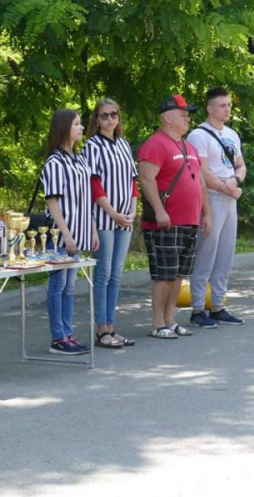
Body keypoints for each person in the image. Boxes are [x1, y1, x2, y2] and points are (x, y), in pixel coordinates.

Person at [138, 94, 212, 340]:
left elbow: (200, 181)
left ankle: (170, 320)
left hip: (188, 220)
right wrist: (159, 210)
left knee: (179, 273)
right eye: (183, 114)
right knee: (164, 273)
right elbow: (147, 179)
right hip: (165, 220)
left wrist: (206, 214)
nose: (187, 118)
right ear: (168, 117)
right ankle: (157, 322)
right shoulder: (155, 144)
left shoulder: (187, 146)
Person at [186, 87, 247, 328]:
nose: (227, 109)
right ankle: (198, 308)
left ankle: (218, 306)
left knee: (225, 255)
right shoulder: (199, 135)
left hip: (229, 198)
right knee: (206, 254)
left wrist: (236, 181)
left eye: (229, 105)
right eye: (222, 105)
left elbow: (241, 166)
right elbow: (201, 171)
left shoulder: (232, 134)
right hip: (210, 197)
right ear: (210, 108)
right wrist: (227, 187)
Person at [41, 109, 99, 355]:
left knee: (70, 287)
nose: (81, 128)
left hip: (80, 230)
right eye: (77, 124)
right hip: (60, 233)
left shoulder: (80, 159)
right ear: (64, 127)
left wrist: (93, 229)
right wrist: (65, 233)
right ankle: (58, 337)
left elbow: (87, 199)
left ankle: (68, 333)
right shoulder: (55, 161)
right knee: (58, 285)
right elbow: (52, 200)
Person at [83, 99, 139, 349]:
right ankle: (101, 329)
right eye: (104, 115)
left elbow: (133, 182)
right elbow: (94, 185)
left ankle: (112, 326)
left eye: (113, 114)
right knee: (103, 273)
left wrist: (132, 210)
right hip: (104, 217)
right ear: (96, 120)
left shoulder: (124, 145)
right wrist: (113, 212)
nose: (109, 119)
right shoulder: (92, 146)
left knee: (116, 273)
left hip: (125, 218)